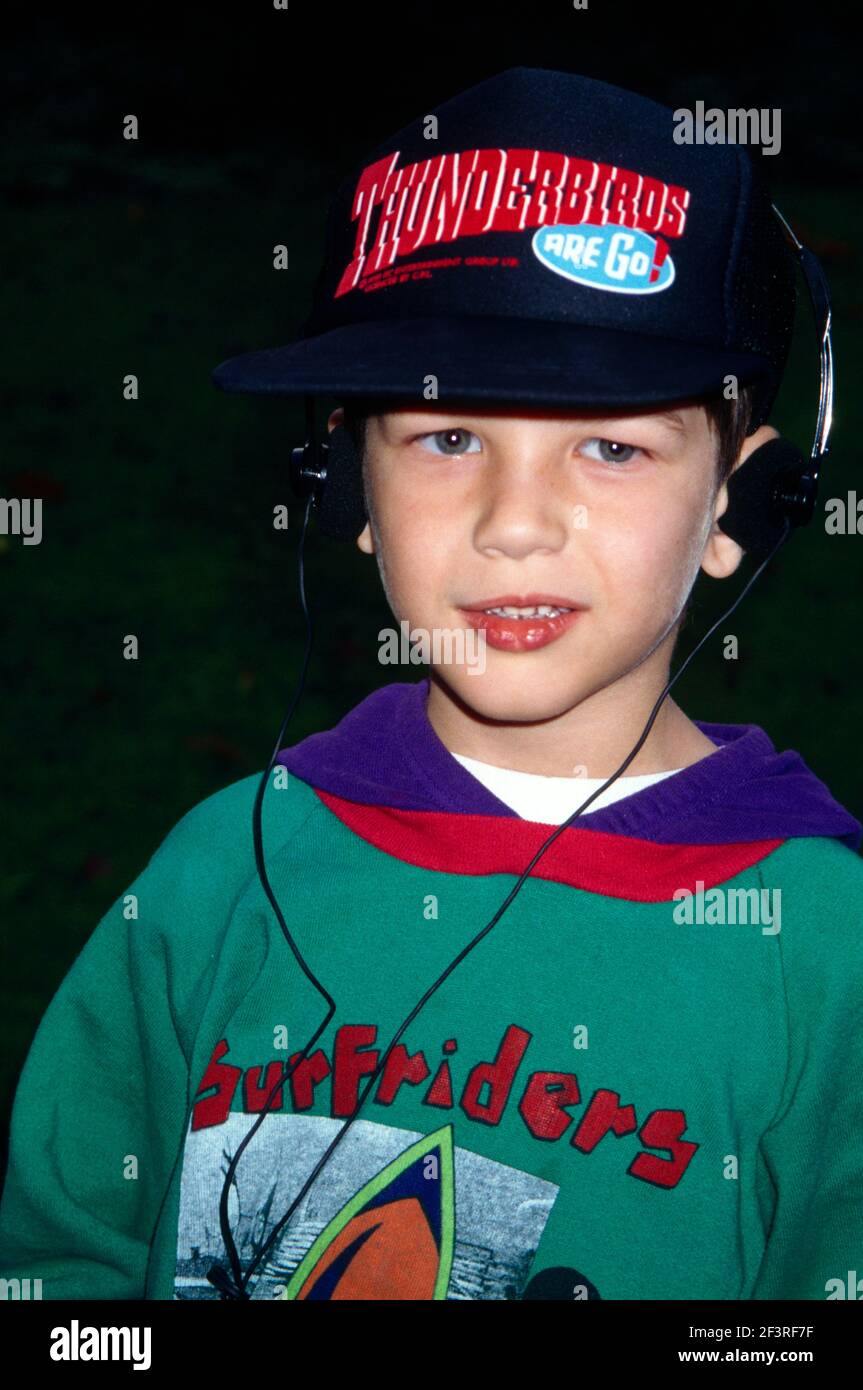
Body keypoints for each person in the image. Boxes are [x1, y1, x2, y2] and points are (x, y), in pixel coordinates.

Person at [1, 67, 861, 1302]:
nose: (517, 524)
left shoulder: (823, 952)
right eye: (447, 438)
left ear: (739, 506)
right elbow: (60, 1258)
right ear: (348, 488)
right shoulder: (219, 873)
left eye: (612, 448)